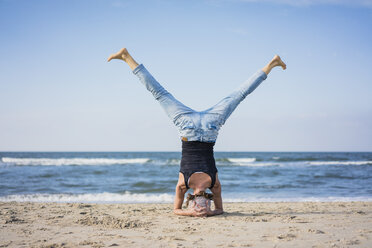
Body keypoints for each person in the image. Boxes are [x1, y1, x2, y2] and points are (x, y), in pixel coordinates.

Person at [107, 48, 286, 217]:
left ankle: (127, 57)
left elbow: (176, 210)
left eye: (197, 207)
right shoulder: (214, 186)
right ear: (207, 201)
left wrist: (189, 213)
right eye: (204, 206)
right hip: (210, 127)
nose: (201, 207)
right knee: (238, 95)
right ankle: (271, 64)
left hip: (187, 127)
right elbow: (221, 209)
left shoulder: (182, 186)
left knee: (159, 93)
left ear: (191, 201)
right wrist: (211, 212)